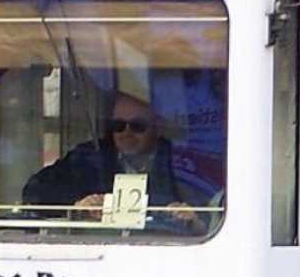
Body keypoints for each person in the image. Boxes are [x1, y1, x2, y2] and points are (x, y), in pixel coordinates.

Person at [22, 93, 203, 232]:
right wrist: (75, 204)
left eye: (138, 126)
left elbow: (213, 204)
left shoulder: (181, 160)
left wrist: (195, 217)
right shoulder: (88, 157)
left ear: (157, 128)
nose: (126, 133)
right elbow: (34, 192)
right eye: (118, 126)